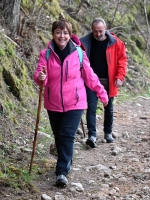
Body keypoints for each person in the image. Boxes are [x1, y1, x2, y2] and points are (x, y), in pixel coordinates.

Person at [33, 17, 108, 187]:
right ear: (53, 34)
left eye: (65, 33)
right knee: (59, 137)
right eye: (58, 32)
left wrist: (101, 93)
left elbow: (90, 77)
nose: (62, 36)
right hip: (53, 102)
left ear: (70, 34)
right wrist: (40, 77)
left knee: (67, 136)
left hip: (75, 102)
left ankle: (61, 172)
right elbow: (39, 76)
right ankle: (66, 160)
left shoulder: (79, 53)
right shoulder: (45, 54)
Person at [80, 18, 127, 148]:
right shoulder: (84, 42)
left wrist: (120, 77)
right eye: (95, 31)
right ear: (92, 30)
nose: (98, 34)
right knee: (91, 107)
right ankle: (92, 135)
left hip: (109, 80)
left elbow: (122, 61)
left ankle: (108, 133)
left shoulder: (116, 43)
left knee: (109, 107)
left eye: (100, 31)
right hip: (91, 80)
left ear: (105, 29)